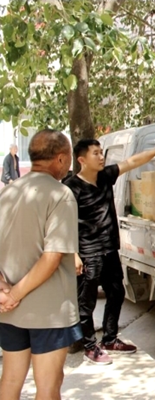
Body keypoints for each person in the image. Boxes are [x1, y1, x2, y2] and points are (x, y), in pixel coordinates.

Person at [64, 139, 155, 365]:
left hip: (109, 249)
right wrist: (73, 254)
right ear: (81, 160)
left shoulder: (105, 176)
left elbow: (132, 162)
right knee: (86, 302)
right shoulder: (71, 187)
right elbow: (64, 224)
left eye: (100, 152)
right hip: (88, 252)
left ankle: (110, 338)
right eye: (95, 153)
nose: (101, 157)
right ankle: (89, 346)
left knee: (116, 292)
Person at [0, 129, 80, 400]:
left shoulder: (8, 192)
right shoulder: (61, 195)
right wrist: (14, 295)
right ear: (59, 159)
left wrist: (4, 291)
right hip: (49, 312)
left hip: (10, 312)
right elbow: (52, 258)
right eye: (69, 157)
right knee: (48, 387)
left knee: (10, 382)